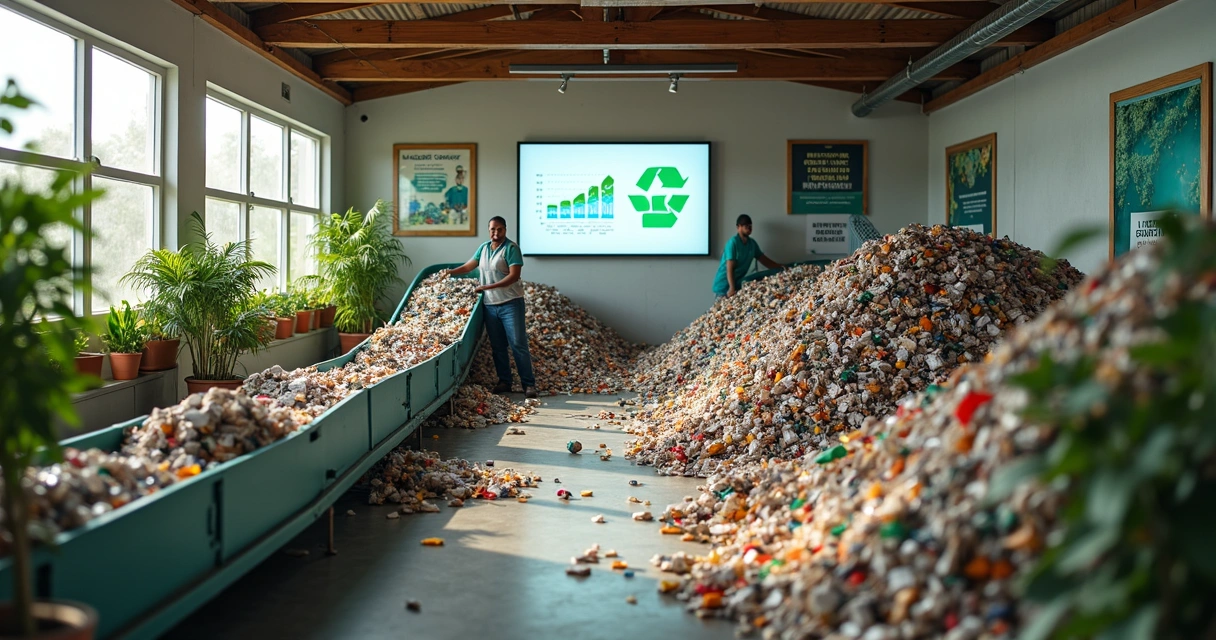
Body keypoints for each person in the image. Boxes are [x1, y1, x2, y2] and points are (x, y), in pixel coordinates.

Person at [441, 216, 538, 399]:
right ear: (489, 230)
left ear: (505, 230)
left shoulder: (511, 248)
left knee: (518, 343)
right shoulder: (484, 248)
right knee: (498, 346)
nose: (496, 233)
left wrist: (487, 287)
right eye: (493, 229)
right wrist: (450, 272)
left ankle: (528, 384)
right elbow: (470, 265)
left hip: (510, 304)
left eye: (499, 229)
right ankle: (505, 381)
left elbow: (514, 276)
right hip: (490, 306)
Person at [712, 214, 785, 298]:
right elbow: (730, 268)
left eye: (750, 225)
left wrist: (780, 267)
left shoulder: (752, 244)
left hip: (737, 284)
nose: (749, 228)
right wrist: (731, 288)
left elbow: (764, 260)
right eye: (746, 225)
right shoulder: (733, 243)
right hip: (723, 286)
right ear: (738, 227)